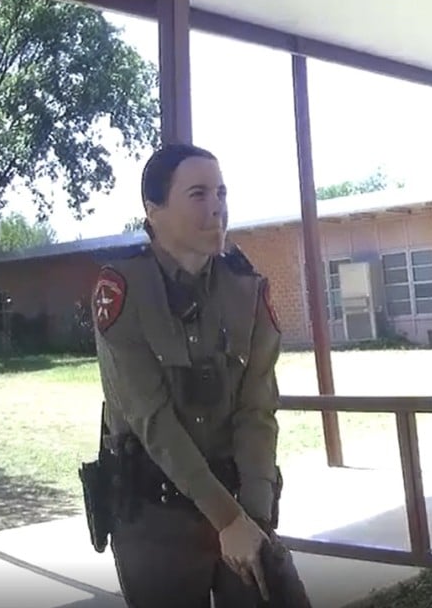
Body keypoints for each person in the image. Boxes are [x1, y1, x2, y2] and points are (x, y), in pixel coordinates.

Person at [90, 143, 309, 607]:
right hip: (156, 521)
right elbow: (153, 420)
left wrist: (253, 516)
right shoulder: (121, 291)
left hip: (242, 508)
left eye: (222, 192)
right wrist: (227, 520)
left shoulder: (247, 288)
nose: (217, 207)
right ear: (153, 209)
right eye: (198, 194)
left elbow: (258, 409)